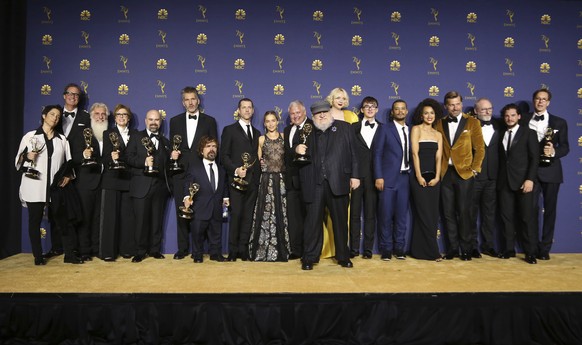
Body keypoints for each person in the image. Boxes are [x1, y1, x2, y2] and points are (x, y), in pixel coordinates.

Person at [295, 100, 360, 270]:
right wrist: (297, 149)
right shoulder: (306, 131)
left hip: (338, 181)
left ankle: (343, 256)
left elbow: (355, 153)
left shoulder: (345, 128)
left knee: (340, 222)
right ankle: (309, 257)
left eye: (324, 112)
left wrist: (355, 175)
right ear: (313, 116)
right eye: (318, 114)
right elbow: (295, 152)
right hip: (314, 183)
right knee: (312, 223)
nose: (322, 115)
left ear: (330, 112)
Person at [15, 105, 81, 265]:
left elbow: (69, 163)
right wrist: (26, 156)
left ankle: (69, 255)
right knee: (34, 221)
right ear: (44, 115)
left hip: (55, 188)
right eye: (52, 114)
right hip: (34, 186)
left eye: (58, 116)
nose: (55, 118)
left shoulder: (62, 139)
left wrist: (68, 175)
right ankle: (38, 256)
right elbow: (17, 163)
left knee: (63, 222)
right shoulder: (30, 137)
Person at [169, 86, 218, 260]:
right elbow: (173, 147)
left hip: (201, 173)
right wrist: (172, 155)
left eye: (193, 99)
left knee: (202, 210)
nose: (190, 102)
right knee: (182, 209)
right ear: (183, 103)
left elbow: (213, 147)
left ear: (198, 100)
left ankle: (202, 249)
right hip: (180, 172)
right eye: (187, 99)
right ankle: (183, 248)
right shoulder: (174, 121)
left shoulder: (209, 121)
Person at [43, 83, 91, 259]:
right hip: (53, 170)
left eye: (77, 95)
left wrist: (71, 173)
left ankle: (74, 249)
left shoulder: (86, 118)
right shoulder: (54, 115)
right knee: (55, 211)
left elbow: (89, 145)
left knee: (74, 212)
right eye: (70, 94)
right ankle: (56, 247)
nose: (73, 97)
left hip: (75, 171)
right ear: (64, 96)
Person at [436, 91, 484, 261]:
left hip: (464, 174)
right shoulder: (439, 123)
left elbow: (480, 148)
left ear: (462, 104)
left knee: (464, 213)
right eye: (451, 104)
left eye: (457, 104)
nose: (455, 107)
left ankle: (467, 249)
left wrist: (474, 169)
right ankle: (453, 248)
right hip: (445, 174)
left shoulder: (473, 122)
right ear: (445, 106)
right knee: (448, 213)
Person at [522, 89, 569, 261]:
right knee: (529, 212)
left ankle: (545, 248)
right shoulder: (524, 119)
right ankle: (531, 249)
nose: (540, 102)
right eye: (537, 99)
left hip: (551, 172)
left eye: (544, 99)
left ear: (548, 102)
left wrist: (554, 151)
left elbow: (566, 147)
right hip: (530, 173)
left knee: (550, 212)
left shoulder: (559, 122)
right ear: (533, 101)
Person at [126, 109, 173, 262]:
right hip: (141, 186)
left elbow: (168, 167)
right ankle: (140, 251)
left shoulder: (166, 142)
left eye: (157, 120)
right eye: (151, 119)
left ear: (160, 122)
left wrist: (173, 159)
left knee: (157, 221)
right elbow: (128, 158)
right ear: (146, 121)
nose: (154, 122)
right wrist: (143, 162)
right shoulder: (136, 137)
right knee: (140, 221)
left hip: (160, 188)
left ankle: (155, 249)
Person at [497, 104, 539, 264]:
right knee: (506, 218)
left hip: (524, 182)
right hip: (504, 183)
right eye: (507, 116)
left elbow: (534, 158)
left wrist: (530, 179)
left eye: (513, 115)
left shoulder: (529, 133)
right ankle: (508, 250)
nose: (510, 118)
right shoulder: (501, 133)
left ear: (519, 116)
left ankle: (530, 252)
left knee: (527, 218)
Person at [321, 87, 360, 259]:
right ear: (331, 99)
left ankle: (342, 252)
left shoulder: (351, 117)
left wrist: (354, 174)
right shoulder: (323, 115)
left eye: (343, 98)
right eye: (337, 97)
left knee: (342, 217)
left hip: (343, 175)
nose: (341, 100)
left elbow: (354, 148)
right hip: (323, 175)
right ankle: (325, 249)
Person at [220, 98, 260, 261]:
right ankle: (233, 250)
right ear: (238, 110)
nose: (247, 110)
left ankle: (243, 249)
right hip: (236, 181)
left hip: (252, 181)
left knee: (248, 216)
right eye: (244, 107)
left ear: (252, 110)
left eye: (249, 107)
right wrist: (236, 169)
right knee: (236, 215)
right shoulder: (229, 130)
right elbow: (224, 156)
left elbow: (256, 158)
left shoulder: (257, 133)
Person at [372, 99, 410, 261]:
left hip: (406, 178)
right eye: (397, 109)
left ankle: (399, 247)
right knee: (385, 215)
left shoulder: (412, 130)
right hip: (387, 179)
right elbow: (377, 154)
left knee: (402, 216)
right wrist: (378, 176)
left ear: (407, 111)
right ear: (392, 112)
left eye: (403, 109)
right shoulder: (385, 129)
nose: (400, 111)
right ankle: (386, 248)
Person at [249, 111, 290, 261]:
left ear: (277, 121)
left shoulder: (284, 138)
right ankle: (262, 251)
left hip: (281, 180)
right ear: (264, 123)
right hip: (266, 181)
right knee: (266, 214)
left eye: (273, 120)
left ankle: (282, 250)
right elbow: (258, 162)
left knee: (281, 213)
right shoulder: (261, 139)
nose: (271, 124)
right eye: (268, 121)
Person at [99, 104, 139, 261]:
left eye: (125, 115)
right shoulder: (107, 133)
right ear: (114, 118)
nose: (122, 117)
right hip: (111, 180)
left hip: (128, 180)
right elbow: (103, 157)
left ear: (128, 118)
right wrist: (111, 158)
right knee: (109, 217)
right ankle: (108, 252)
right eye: (119, 115)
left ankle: (127, 249)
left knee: (127, 218)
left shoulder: (135, 134)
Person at [181, 136, 229, 263]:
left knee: (216, 232)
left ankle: (216, 254)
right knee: (197, 233)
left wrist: (225, 198)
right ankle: (197, 255)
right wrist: (187, 197)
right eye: (208, 146)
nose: (211, 149)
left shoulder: (221, 169)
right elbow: (188, 184)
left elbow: (223, 186)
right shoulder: (194, 168)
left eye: (214, 146)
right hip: (200, 207)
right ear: (201, 151)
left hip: (216, 208)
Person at [71, 102, 108, 261]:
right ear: (91, 116)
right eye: (97, 114)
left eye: (103, 115)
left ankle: (96, 248)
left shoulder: (109, 135)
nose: (100, 117)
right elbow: (73, 157)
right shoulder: (81, 134)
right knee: (85, 218)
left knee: (98, 218)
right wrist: (84, 155)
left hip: (103, 183)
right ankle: (84, 250)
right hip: (85, 183)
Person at [408, 99, 443, 261]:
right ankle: (432, 252)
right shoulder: (416, 130)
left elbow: (439, 158)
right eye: (426, 113)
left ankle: (419, 251)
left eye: (432, 113)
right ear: (421, 115)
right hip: (419, 177)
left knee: (432, 214)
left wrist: (437, 177)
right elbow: (414, 153)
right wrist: (418, 175)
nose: (429, 116)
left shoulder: (438, 134)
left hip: (434, 179)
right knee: (423, 214)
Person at [350, 96, 381, 260]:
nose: (369, 109)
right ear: (361, 110)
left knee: (370, 214)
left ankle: (368, 250)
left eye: (373, 106)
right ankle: (354, 249)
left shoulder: (383, 128)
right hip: (356, 177)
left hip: (375, 177)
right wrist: (351, 175)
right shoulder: (353, 128)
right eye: (366, 106)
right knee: (354, 214)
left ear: (376, 109)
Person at [470, 98, 500, 257]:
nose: (488, 112)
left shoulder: (500, 125)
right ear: (476, 111)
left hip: (493, 177)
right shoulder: (469, 126)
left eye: (490, 108)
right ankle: (473, 246)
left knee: (489, 214)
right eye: (483, 109)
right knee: (471, 213)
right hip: (475, 177)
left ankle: (488, 245)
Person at [283, 100, 312, 260]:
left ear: (304, 111)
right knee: (294, 218)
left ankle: (309, 250)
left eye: (297, 112)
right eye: (292, 114)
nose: (295, 116)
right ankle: (296, 250)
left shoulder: (313, 127)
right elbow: (287, 153)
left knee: (310, 217)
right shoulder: (287, 130)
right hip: (291, 180)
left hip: (308, 179)